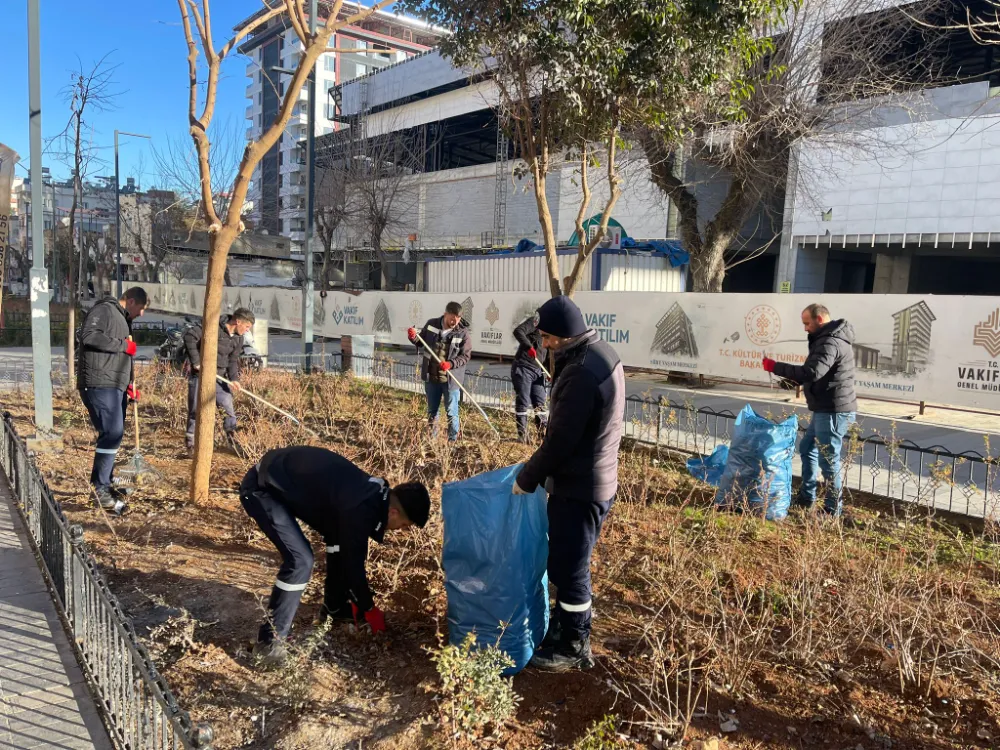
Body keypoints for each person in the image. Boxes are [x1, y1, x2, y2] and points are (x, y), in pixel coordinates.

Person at [238, 446, 430, 667]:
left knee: (338, 540)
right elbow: (354, 566)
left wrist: (358, 600)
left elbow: (350, 552)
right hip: (262, 489)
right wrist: (368, 608)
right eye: (404, 526)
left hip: (279, 477)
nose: (400, 531)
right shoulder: (361, 507)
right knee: (300, 560)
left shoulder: (373, 497)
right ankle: (269, 644)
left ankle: (334, 607)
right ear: (393, 512)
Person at [513, 296, 625, 672]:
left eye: (547, 337)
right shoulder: (598, 351)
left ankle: (575, 644)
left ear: (564, 335)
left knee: (572, 566)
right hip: (593, 478)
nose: (542, 343)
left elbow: (560, 442)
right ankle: (564, 628)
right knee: (565, 561)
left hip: (579, 487)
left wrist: (526, 479)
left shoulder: (580, 372)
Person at [763, 303, 857, 517]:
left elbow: (813, 372)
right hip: (825, 408)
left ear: (820, 319)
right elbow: (820, 375)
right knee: (807, 448)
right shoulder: (826, 339)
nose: (805, 328)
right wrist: (792, 382)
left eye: (807, 323)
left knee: (827, 458)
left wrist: (775, 366)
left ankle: (833, 510)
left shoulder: (830, 342)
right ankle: (807, 497)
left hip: (833, 410)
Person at [77, 286, 148, 515]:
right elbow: (89, 336)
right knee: (112, 433)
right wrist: (123, 345)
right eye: (143, 308)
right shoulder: (105, 310)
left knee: (113, 435)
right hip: (99, 382)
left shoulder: (123, 319)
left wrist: (128, 383)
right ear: (132, 301)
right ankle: (100, 490)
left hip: (114, 384)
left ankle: (105, 482)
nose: (143, 314)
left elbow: (122, 359)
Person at [182, 309, 255, 456]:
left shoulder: (238, 339)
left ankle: (233, 442)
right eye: (247, 327)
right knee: (196, 411)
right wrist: (196, 362)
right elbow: (189, 337)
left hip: (219, 378)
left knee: (228, 410)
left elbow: (233, 361)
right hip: (200, 376)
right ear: (238, 321)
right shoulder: (213, 326)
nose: (247, 331)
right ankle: (191, 445)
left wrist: (234, 379)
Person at [408, 301, 472, 442]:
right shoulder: (432, 324)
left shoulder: (463, 333)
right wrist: (413, 336)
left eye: (458, 318)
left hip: (451, 380)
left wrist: (451, 363)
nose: (455, 321)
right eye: (452, 317)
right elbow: (420, 341)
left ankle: (452, 442)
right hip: (432, 378)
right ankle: (433, 440)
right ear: (445, 314)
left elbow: (465, 356)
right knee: (432, 412)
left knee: (452, 413)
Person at [511, 315, 548, 443]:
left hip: (538, 371)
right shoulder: (536, 321)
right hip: (523, 366)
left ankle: (543, 435)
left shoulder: (553, 331)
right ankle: (522, 436)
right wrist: (528, 347)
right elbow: (518, 331)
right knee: (523, 402)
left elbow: (548, 352)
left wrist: (548, 370)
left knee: (540, 403)